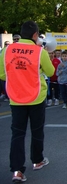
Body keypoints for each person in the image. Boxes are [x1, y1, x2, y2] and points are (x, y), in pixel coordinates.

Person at [0, 20, 54, 182]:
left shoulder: (7, 50)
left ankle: (17, 170)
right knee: (37, 130)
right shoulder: (40, 52)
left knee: (17, 133)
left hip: (16, 97)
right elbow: (50, 72)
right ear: (35, 35)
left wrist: (18, 77)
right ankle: (37, 160)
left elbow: (2, 74)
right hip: (36, 96)